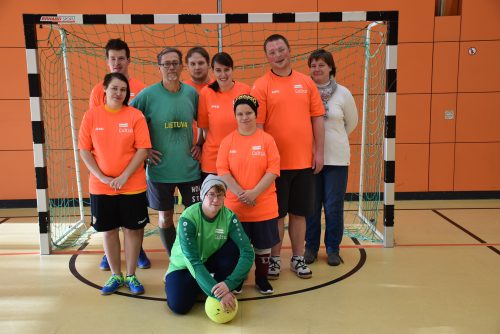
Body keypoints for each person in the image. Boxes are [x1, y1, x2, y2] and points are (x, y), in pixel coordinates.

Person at [251, 34, 325, 280]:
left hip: (304, 162)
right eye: (272, 52)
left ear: (289, 50)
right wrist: (265, 161)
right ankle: (274, 260)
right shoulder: (261, 85)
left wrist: (319, 152)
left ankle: (297, 258)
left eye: (281, 49)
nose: (278, 55)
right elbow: (258, 127)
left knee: (300, 213)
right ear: (267, 57)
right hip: (275, 166)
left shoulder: (306, 83)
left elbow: (317, 119)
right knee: (275, 215)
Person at [78, 72, 151, 295]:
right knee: (108, 231)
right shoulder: (91, 116)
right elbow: (84, 150)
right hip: (102, 187)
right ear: (105, 91)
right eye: (114, 88)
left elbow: (143, 150)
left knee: (133, 230)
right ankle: (115, 275)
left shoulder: (135, 116)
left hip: (133, 185)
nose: (118, 93)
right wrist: (101, 177)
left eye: (122, 89)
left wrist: (125, 176)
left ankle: (131, 275)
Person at [130, 47, 201, 262]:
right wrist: (145, 149)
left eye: (174, 63)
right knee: (165, 216)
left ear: (181, 66)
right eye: (166, 63)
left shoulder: (191, 93)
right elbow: (129, 120)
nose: (171, 67)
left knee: (194, 217)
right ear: (159, 67)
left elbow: (206, 123)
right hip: (160, 170)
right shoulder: (147, 95)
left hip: (189, 167)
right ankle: (175, 258)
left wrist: (201, 144)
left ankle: (192, 257)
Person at [88, 38, 150, 272]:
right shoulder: (97, 91)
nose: (116, 62)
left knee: (134, 221)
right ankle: (110, 256)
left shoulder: (141, 88)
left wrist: (146, 149)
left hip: (132, 164)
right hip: (104, 171)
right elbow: (94, 129)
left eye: (121, 58)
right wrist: (101, 172)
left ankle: (138, 251)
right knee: (110, 224)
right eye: (112, 58)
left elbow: (145, 121)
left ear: (128, 60)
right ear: (107, 61)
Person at [216, 94, 280, 295]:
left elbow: (273, 170)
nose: (244, 117)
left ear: (256, 114)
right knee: (237, 247)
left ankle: (261, 279)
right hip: (236, 207)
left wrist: (254, 193)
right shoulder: (228, 142)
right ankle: (237, 280)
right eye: (240, 114)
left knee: (262, 247)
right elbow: (222, 170)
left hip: (264, 205)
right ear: (235, 116)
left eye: (249, 113)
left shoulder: (267, 140)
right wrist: (240, 194)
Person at [165, 175, 254, 315]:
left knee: (236, 247)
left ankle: (215, 284)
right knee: (179, 306)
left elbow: (247, 252)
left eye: (220, 195)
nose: (216, 200)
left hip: (208, 260)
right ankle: (209, 284)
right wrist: (220, 294)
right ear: (202, 195)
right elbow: (193, 261)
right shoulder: (188, 218)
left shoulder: (229, 217)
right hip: (184, 267)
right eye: (211, 194)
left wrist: (230, 283)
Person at [304, 49, 358, 266]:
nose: (317, 69)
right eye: (313, 65)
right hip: (309, 160)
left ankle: (333, 249)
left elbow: (351, 123)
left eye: (321, 65)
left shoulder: (343, 93)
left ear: (331, 68)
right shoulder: (305, 91)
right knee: (311, 206)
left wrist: (332, 140)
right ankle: (310, 248)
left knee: (334, 206)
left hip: (336, 160)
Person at [198, 52, 251, 180]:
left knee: (237, 199)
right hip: (213, 160)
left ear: (233, 69)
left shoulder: (245, 90)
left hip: (240, 157)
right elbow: (205, 128)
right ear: (212, 71)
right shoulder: (206, 93)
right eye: (218, 70)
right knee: (214, 200)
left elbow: (251, 125)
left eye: (226, 70)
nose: (223, 75)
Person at [184, 47, 212, 149]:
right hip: (187, 150)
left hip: (212, 148)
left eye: (201, 63)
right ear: (187, 66)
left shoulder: (219, 87)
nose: (197, 67)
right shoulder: (180, 89)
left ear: (209, 65)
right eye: (192, 64)